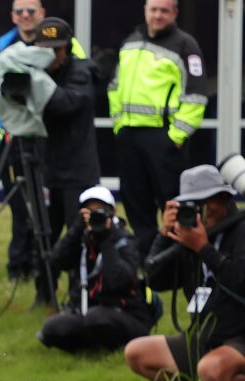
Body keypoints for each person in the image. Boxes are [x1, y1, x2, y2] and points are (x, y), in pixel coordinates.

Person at [0, 0, 87, 282]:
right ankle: (19, 266)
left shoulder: (65, 44)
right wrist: (0, 130)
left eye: (31, 11)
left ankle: (46, 273)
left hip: (50, 142)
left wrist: (37, 81)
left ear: (41, 14)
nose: (25, 16)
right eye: (19, 11)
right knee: (19, 208)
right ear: (12, 16)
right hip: (13, 135)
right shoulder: (2, 48)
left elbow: (70, 95)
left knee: (45, 212)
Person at [126, 165, 245, 381]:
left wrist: (204, 248)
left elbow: (241, 280)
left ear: (223, 199)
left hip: (240, 337)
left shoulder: (240, 229)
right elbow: (156, 279)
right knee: (136, 353)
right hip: (204, 335)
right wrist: (164, 235)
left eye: (206, 201)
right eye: (193, 204)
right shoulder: (189, 234)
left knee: (211, 370)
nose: (202, 211)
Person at [108, 0, 207, 260]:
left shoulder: (186, 45)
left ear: (175, 13)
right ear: (145, 11)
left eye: (164, 10)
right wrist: (119, 123)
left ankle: (180, 259)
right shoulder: (130, 42)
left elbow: (196, 96)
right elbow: (114, 86)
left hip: (163, 138)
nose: (158, 15)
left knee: (173, 203)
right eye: (154, 9)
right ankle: (147, 261)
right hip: (129, 135)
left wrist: (176, 137)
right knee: (135, 201)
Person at [35, 17, 101, 308]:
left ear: (68, 48)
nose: (51, 55)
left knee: (79, 234)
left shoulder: (82, 72)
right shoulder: (36, 71)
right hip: (46, 168)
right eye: (45, 49)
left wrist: (35, 84)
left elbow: (64, 104)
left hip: (78, 171)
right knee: (42, 235)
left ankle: (79, 293)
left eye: (57, 49)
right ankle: (44, 293)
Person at [38, 186, 150, 352]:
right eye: (88, 212)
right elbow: (57, 261)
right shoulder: (82, 238)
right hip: (85, 311)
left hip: (124, 312)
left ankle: (105, 344)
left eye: (100, 211)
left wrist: (105, 241)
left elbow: (119, 281)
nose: (94, 216)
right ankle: (92, 345)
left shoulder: (124, 239)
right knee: (51, 328)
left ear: (113, 212)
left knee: (97, 318)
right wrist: (76, 229)